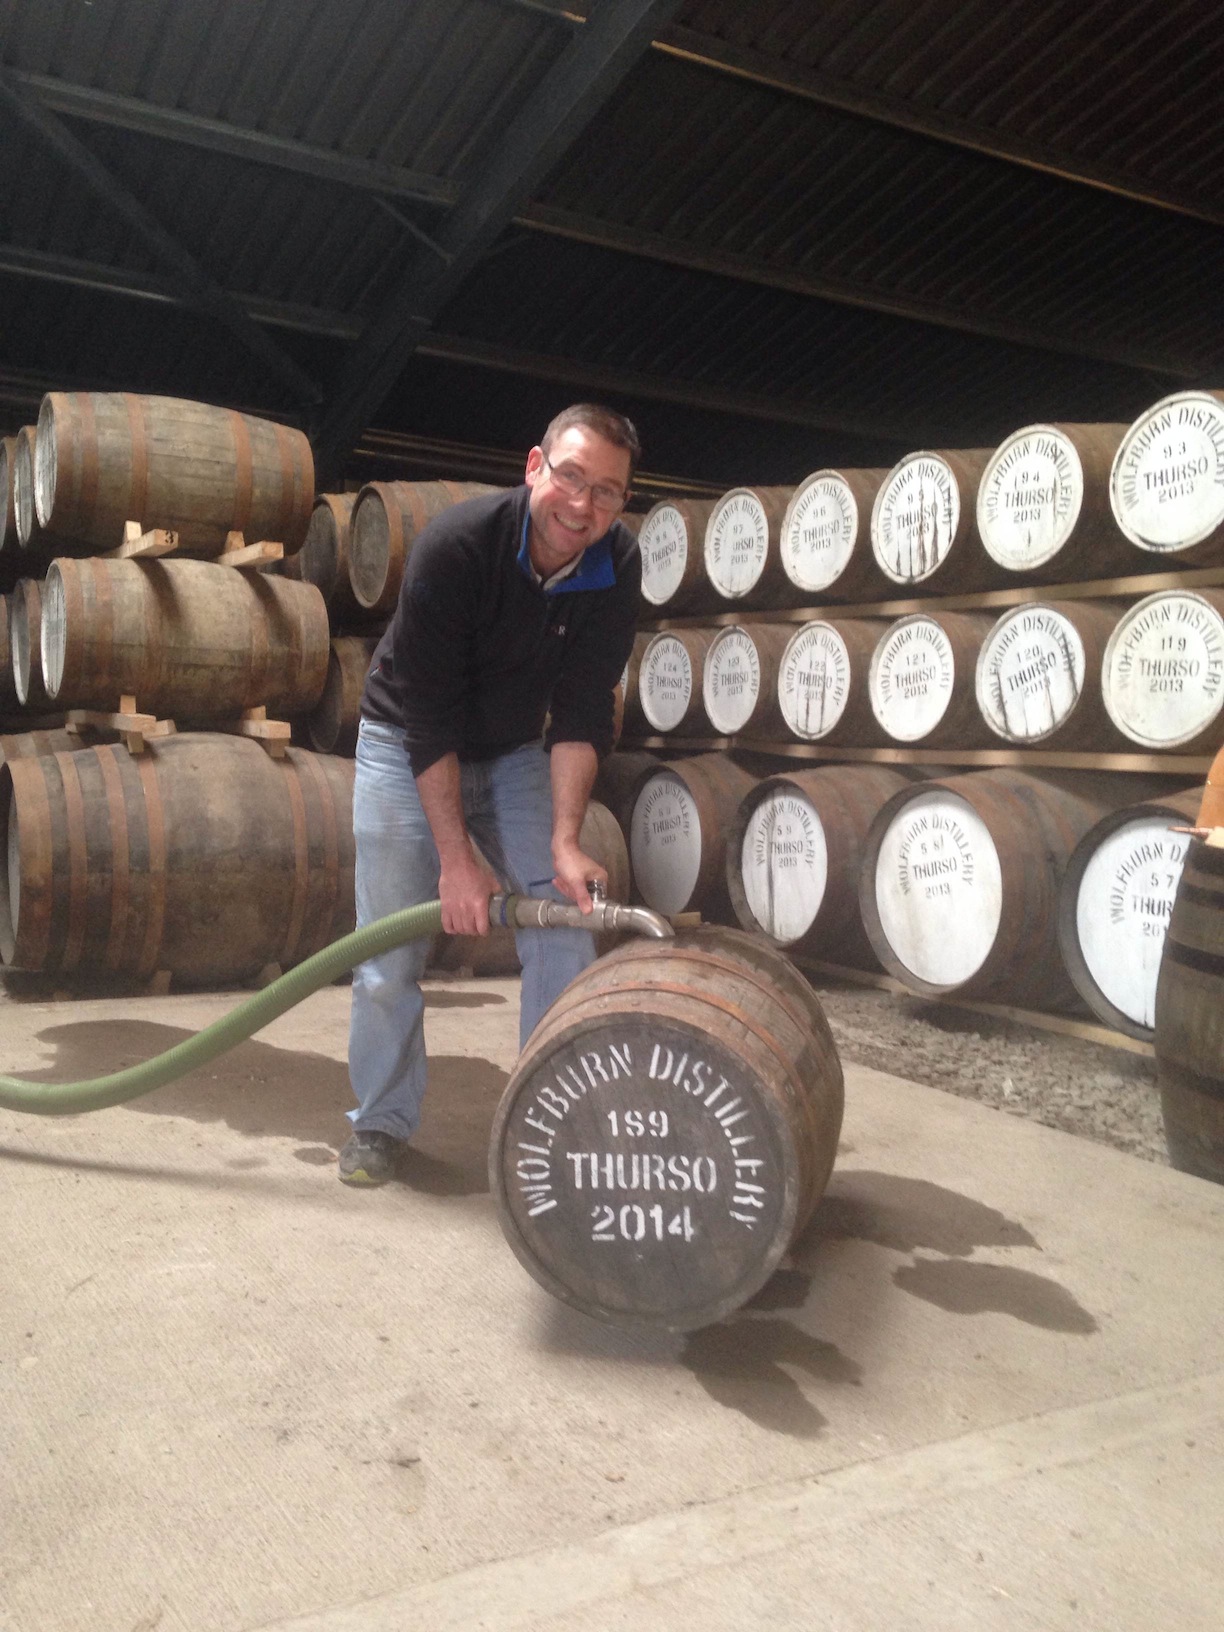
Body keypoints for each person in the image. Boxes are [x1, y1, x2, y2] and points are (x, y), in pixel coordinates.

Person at [339, 404, 642, 1185]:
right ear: (535, 466)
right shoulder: (457, 547)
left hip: (511, 751)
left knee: (565, 923)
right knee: (386, 954)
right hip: (407, 742)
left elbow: (582, 709)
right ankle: (379, 1122)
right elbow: (429, 717)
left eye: (607, 491)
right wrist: (455, 862)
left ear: (622, 502)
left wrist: (565, 842)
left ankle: (549, 1120)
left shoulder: (617, 563)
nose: (583, 504)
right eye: (570, 476)